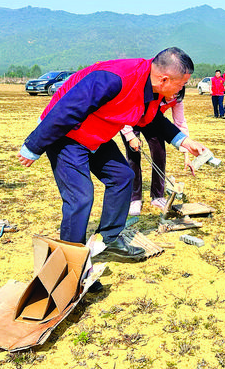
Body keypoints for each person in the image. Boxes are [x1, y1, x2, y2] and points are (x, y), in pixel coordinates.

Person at [17, 47, 206, 260]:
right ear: (164, 79)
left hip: (97, 134)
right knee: (80, 197)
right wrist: (33, 146)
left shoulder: (151, 89)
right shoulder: (116, 78)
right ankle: (70, 263)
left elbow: (152, 119)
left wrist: (183, 140)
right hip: (66, 132)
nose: (181, 90)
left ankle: (110, 239)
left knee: (122, 177)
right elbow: (67, 109)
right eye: (181, 84)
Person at [122, 87, 193, 216]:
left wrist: (186, 154)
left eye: (177, 93)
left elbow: (180, 123)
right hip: (130, 120)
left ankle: (157, 196)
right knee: (134, 157)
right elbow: (124, 109)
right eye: (173, 91)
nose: (173, 96)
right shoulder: (149, 92)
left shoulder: (176, 99)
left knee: (159, 153)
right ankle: (135, 198)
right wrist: (130, 136)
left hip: (152, 120)